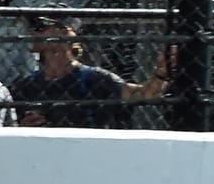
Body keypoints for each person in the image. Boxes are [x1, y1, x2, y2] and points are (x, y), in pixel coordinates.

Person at [10, 14, 169, 128]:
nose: (33, 33)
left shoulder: (94, 79)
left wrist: (162, 73)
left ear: (64, 32)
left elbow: (145, 94)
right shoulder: (26, 85)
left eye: (40, 27)